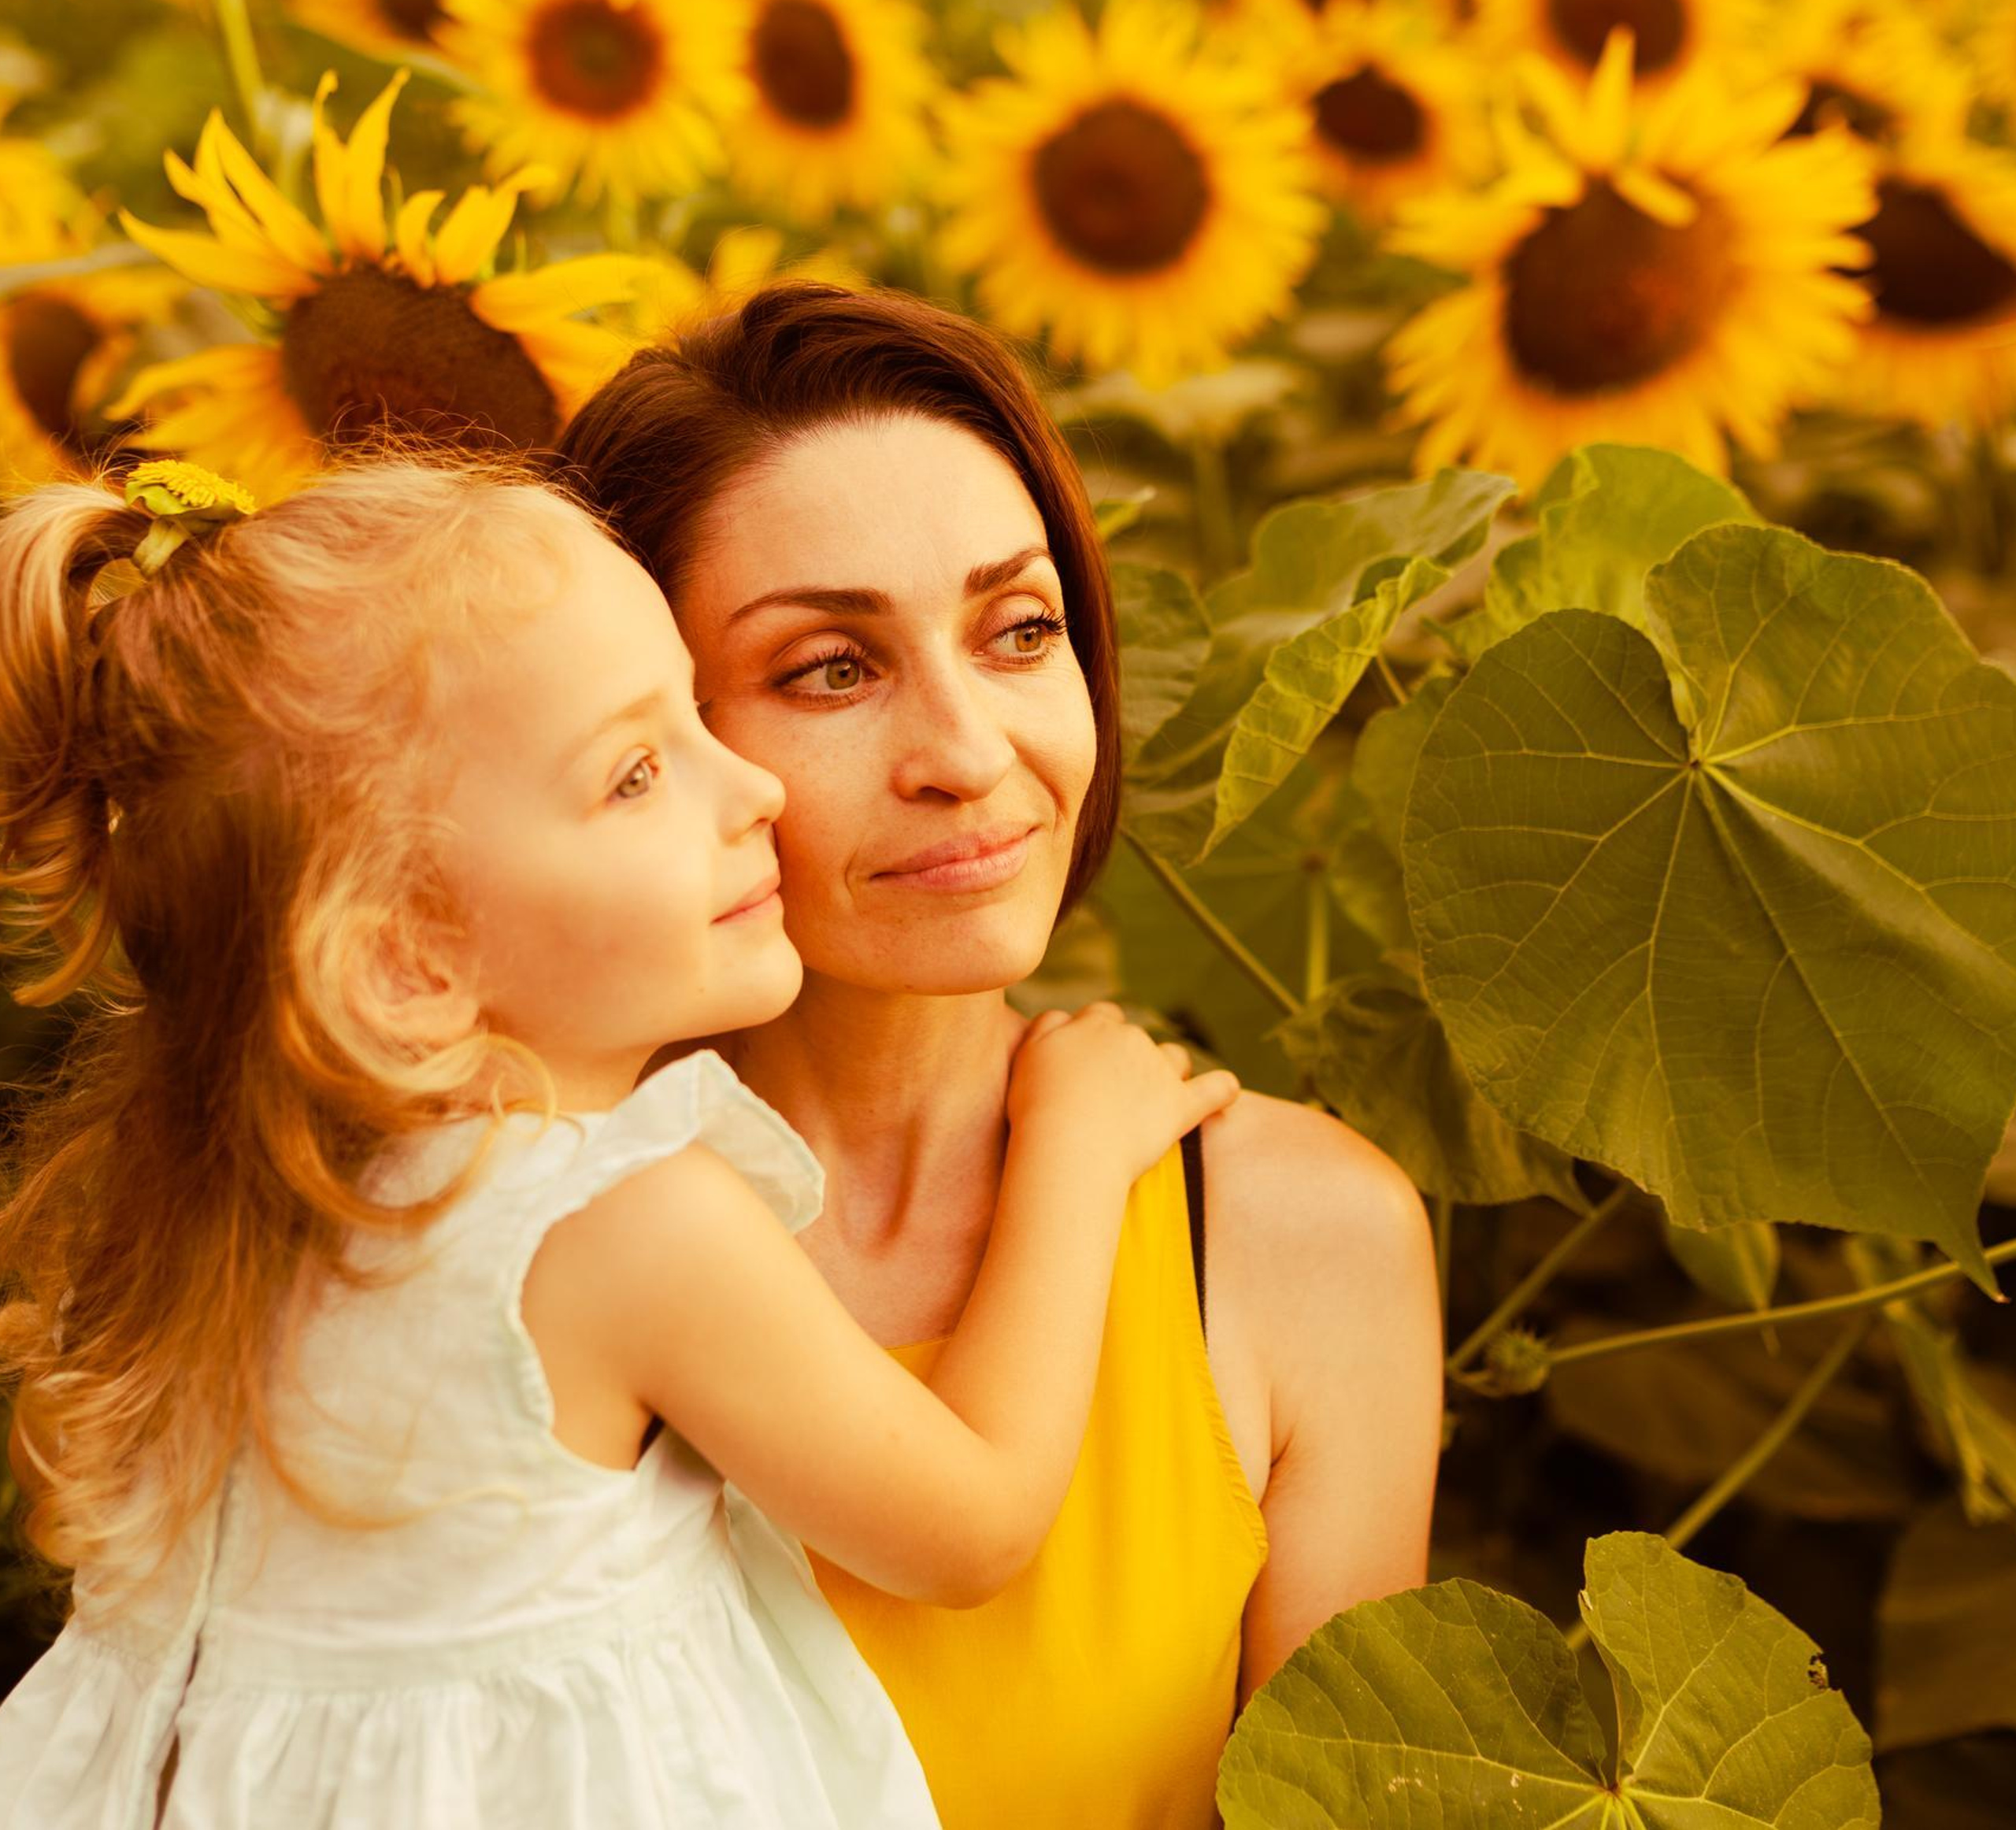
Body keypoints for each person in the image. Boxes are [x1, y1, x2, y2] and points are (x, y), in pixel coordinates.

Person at [0, 454, 1239, 1829]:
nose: (751, 790)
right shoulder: (622, 1223)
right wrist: (1077, 1138)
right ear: (404, 958)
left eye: (699, 722)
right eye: (637, 773)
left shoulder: (243, 1207)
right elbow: (974, 1524)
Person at [556, 282, 1447, 1830]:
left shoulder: (1295, 1234)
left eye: (1018, 629)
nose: (968, 754)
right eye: (829, 667)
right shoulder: (526, 1221)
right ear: (643, 736)